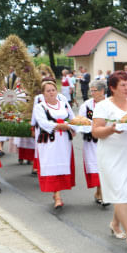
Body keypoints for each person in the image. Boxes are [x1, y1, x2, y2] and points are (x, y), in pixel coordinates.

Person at [91, 71, 127, 252]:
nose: (126, 88)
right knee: (120, 190)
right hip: (110, 154)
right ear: (112, 88)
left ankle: (115, 224)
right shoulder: (103, 106)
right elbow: (95, 131)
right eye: (122, 85)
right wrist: (111, 130)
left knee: (124, 191)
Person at [33, 80, 76, 208]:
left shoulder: (64, 104)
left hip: (64, 141)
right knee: (52, 165)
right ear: (43, 93)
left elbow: (73, 118)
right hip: (49, 141)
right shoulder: (40, 107)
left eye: (53, 90)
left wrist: (74, 127)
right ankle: (57, 196)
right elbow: (43, 123)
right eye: (48, 91)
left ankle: (57, 193)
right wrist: (59, 125)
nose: (51, 93)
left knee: (62, 165)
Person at [78, 80, 106, 206]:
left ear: (102, 91)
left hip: (107, 140)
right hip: (91, 141)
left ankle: (102, 192)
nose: (92, 93)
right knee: (96, 165)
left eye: (95, 90)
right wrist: (92, 125)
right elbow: (80, 120)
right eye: (91, 90)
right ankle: (100, 192)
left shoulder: (109, 104)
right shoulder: (87, 105)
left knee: (106, 166)